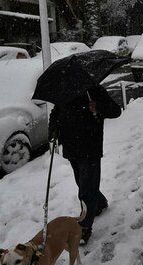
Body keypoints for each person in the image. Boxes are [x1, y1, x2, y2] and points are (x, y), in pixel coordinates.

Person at [49, 85, 121, 245]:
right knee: (82, 182)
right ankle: (100, 203)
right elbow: (56, 112)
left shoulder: (94, 90)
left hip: (90, 147)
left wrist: (98, 108)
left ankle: (84, 227)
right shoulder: (65, 91)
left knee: (86, 190)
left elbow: (116, 111)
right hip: (71, 147)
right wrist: (53, 129)